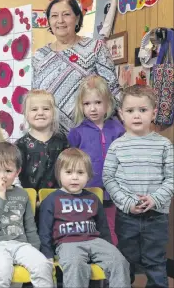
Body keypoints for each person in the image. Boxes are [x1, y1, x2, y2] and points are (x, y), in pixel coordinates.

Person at [103, 85, 174, 287]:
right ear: (121, 114)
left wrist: (155, 199)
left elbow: (171, 178)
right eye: (130, 110)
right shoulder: (117, 145)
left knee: (156, 262)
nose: (136, 116)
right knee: (125, 260)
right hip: (127, 216)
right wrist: (127, 203)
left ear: (153, 113)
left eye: (143, 110)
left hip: (156, 216)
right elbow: (108, 178)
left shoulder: (164, 145)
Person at [38, 148, 130, 288]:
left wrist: (110, 247)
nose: (74, 177)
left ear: (88, 176)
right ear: (59, 174)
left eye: (80, 173)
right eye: (68, 172)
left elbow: (103, 226)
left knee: (120, 261)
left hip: (95, 240)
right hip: (67, 243)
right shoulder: (51, 200)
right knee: (75, 264)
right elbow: (44, 230)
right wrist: (47, 254)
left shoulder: (92, 198)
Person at [32, 0, 122, 134]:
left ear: (78, 18)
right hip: (50, 135)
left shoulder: (95, 47)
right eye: (54, 16)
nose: (60, 20)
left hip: (89, 133)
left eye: (66, 14)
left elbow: (113, 90)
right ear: (49, 21)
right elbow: (33, 96)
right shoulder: (40, 55)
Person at [0, 142, 53, 288]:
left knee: (43, 265)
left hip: (20, 244)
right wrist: (0, 194)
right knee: (1, 270)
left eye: (8, 170)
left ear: (17, 172)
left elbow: (29, 226)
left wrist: (35, 252)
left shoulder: (22, 194)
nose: (2, 176)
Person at [68, 75, 125, 245]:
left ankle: (111, 265)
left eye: (98, 103)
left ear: (107, 103)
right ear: (81, 105)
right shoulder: (77, 132)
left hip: (112, 193)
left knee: (110, 229)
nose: (93, 108)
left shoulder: (118, 129)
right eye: (87, 104)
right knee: (86, 229)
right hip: (86, 192)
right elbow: (69, 163)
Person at [16, 90, 69, 192]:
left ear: (53, 113)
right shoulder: (20, 145)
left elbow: (69, 168)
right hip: (30, 199)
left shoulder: (62, 141)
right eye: (34, 109)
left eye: (46, 109)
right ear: (26, 114)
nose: (40, 113)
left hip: (57, 199)